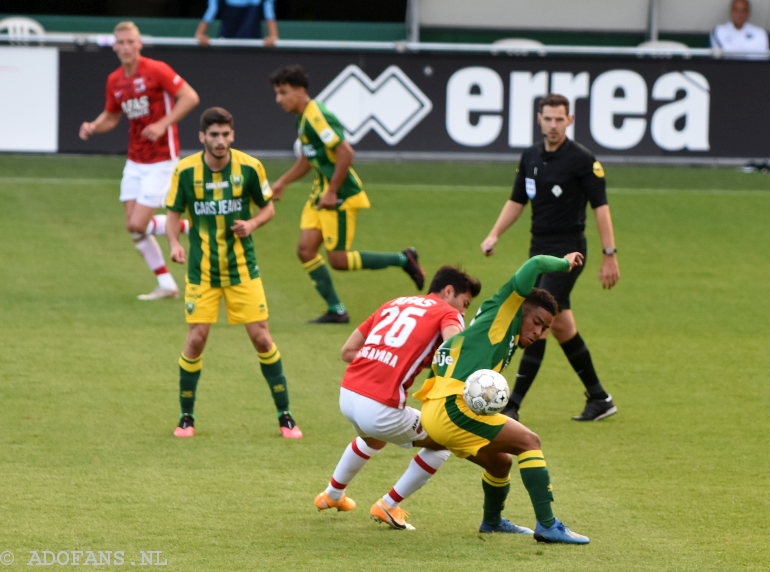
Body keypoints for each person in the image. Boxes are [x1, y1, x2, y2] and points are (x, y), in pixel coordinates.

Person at [413, 253, 591, 543]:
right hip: (452, 407)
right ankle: (548, 525)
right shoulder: (504, 310)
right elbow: (534, 264)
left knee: (500, 462)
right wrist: (564, 263)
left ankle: (492, 521)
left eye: (545, 328)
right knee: (529, 442)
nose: (538, 331)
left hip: (435, 408)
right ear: (521, 308)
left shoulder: (497, 335)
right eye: (536, 321)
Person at [480, 93, 619, 422]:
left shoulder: (583, 160)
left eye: (560, 119)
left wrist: (609, 254)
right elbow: (519, 200)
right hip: (538, 250)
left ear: (570, 121)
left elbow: (601, 209)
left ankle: (512, 404)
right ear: (539, 119)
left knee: (537, 318)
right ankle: (599, 397)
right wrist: (494, 233)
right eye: (548, 118)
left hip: (570, 251)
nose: (554, 125)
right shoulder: (530, 157)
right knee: (561, 326)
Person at [165, 107, 302, 439]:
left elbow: (267, 205)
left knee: (261, 338)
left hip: (243, 270)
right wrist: (173, 243)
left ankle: (285, 417)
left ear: (232, 135)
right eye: (214, 135)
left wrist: (252, 223)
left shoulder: (250, 167)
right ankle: (186, 417)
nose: (220, 141)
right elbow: (173, 212)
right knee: (196, 340)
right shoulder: (185, 171)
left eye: (226, 134)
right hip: (202, 273)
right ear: (202, 138)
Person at [314, 266, 482, 530]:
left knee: (372, 438)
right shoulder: (448, 313)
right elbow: (454, 353)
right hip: (380, 407)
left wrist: (388, 360)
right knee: (445, 439)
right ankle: (388, 505)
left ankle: (332, 495)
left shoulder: (393, 304)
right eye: (465, 304)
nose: (463, 312)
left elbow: (348, 351)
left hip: (347, 395)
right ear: (449, 291)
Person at [269, 65, 425, 324]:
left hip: (339, 195)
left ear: (300, 91)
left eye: (283, 92)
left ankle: (403, 259)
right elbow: (308, 159)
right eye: (277, 93)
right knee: (305, 250)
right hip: (321, 192)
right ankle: (337, 311)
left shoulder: (317, 115)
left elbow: (346, 152)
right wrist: (283, 182)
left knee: (338, 260)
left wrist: (331, 192)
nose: (278, 99)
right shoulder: (302, 118)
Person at [79, 21, 200, 300]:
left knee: (137, 225)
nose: (124, 47)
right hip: (135, 159)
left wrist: (163, 124)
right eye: (119, 42)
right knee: (134, 228)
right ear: (114, 46)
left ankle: (192, 225)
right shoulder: (115, 80)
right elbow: (111, 116)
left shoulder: (156, 70)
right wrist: (94, 125)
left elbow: (190, 97)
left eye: (129, 41)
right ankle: (167, 284)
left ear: (139, 43)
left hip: (161, 158)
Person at [195, 0, 279, 47]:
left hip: (254, 44)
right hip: (226, 43)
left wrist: (273, 36)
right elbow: (212, 8)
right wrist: (200, 34)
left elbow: (269, 10)